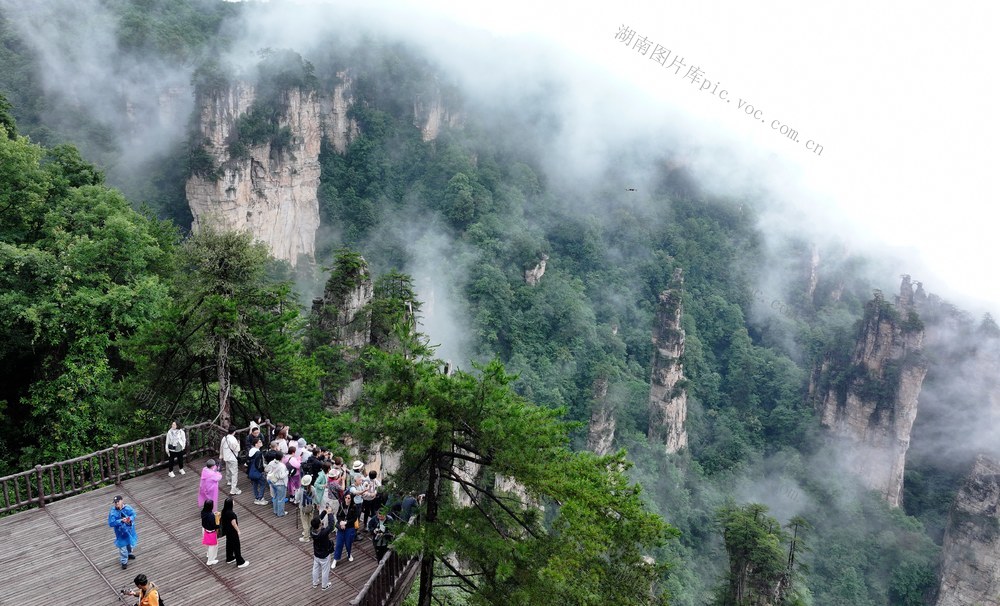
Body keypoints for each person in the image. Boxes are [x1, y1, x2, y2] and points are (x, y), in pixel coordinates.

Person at [310, 501, 337, 590]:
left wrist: (325, 511)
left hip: (316, 553)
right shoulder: (323, 533)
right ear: (319, 525)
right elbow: (331, 526)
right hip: (324, 555)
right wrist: (329, 513)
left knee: (315, 568)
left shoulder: (312, 530)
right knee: (325, 571)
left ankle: (315, 583)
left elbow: (317, 519)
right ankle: (324, 586)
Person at [331, 493, 361, 569]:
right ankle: (335, 559)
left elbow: (354, 519)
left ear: (351, 499)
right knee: (339, 543)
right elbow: (338, 515)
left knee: (348, 543)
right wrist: (341, 522)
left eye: (349, 498)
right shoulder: (341, 505)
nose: (347, 500)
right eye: (346, 498)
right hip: (341, 527)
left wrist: (346, 523)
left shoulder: (354, 507)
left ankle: (349, 553)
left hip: (350, 527)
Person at [109, 495, 138, 570]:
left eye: (118, 502)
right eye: (115, 502)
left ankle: (129, 554)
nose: (116, 504)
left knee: (130, 545)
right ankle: (124, 562)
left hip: (129, 530)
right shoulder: (113, 511)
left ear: (122, 501)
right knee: (123, 548)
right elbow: (111, 523)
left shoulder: (128, 507)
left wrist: (129, 519)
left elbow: (133, 514)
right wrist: (121, 521)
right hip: (121, 532)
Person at [220, 497, 248, 568]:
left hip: (227, 531)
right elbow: (234, 523)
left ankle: (229, 558)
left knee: (229, 544)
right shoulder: (231, 513)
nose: (234, 502)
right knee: (236, 546)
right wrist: (238, 530)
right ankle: (240, 562)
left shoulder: (224, 511)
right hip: (232, 532)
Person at [265, 449, 289, 517]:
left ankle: (275, 510)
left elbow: (267, 469)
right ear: (281, 458)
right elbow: (281, 476)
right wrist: (287, 473)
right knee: (281, 499)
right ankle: (280, 513)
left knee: (275, 497)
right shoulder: (282, 466)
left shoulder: (271, 462)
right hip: (280, 484)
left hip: (272, 482)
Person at [219, 426, 242, 495]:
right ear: (234, 432)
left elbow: (221, 447)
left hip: (226, 457)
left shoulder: (224, 438)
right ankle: (233, 489)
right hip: (232, 458)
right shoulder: (233, 439)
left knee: (228, 469)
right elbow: (237, 449)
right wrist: (238, 443)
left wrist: (221, 455)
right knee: (234, 473)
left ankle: (229, 481)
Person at [247, 437, 268, 505]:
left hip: (251, 471)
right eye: (259, 442)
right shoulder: (258, 453)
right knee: (263, 483)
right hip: (256, 471)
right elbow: (259, 464)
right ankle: (260, 498)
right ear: (256, 444)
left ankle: (256, 498)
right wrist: (262, 470)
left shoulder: (251, 451)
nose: (261, 442)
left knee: (255, 484)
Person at [296, 474, 316, 542]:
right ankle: (310, 533)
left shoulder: (301, 490)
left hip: (303, 508)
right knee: (310, 521)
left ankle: (306, 537)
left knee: (305, 523)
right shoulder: (313, 489)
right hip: (311, 507)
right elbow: (314, 497)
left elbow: (297, 498)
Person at [201, 499, 220, 565]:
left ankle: (208, 554)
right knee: (213, 546)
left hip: (204, 529)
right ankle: (210, 560)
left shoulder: (203, 512)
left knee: (207, 543)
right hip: (211, 532)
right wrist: (218, 520)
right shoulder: (211, 516)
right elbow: (214, 525)